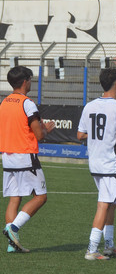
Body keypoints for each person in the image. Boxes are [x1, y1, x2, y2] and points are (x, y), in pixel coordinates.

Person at [0, 66, 55, 253]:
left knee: (14, 198)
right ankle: (13, 228)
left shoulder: (4, 102)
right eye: (30, 79)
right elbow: (39, 135)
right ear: (25, 81)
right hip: (25, 156)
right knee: (41, 196)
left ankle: (11, 244)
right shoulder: (28, 103)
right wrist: (47, 129)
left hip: (7, 157)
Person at [77, 68, 116, 261]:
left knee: (111, 204)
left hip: (95, 162)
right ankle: (91, 249)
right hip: (109, 164)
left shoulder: (89, 106)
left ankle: (109, 245)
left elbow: (80, 135)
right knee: (104, 204)